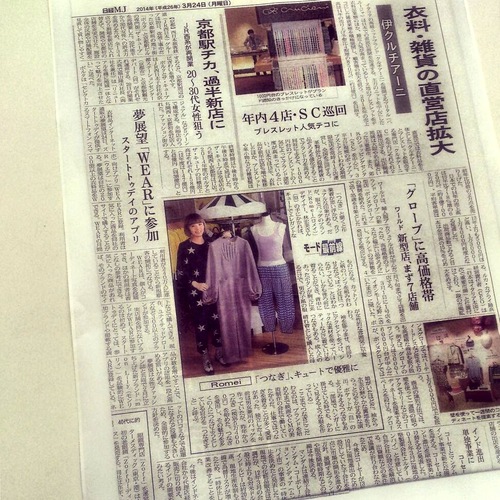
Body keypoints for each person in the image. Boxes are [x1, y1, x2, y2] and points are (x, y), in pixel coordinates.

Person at [176, 213, 229, 375]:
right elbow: (181, 272)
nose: (197, 228)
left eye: (200, 224)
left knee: (217, 321)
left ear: (204, 225)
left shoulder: (212, 244)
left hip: (214, 290)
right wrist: (195, 284)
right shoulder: (184, 247)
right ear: (188, 228)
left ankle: (219, 351)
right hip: (195, 293)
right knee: (201, 324)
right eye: (193, 225)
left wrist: (227, 236)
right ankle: (205, 356)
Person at [250, 213, 295, 335]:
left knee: (285, 298)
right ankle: (269, 327)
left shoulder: (280, 226)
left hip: (280, 267)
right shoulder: (254, 229)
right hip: (262, 268)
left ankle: (286, 327)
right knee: (265, 301)